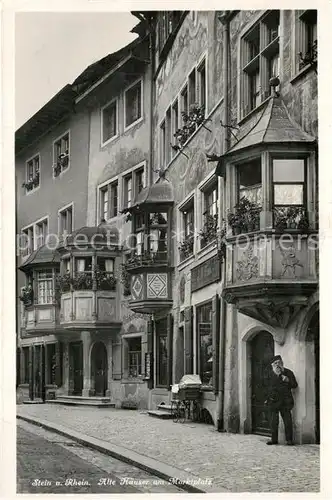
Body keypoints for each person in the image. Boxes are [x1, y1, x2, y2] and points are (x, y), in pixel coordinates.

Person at [265, 355, 298, 446]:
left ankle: (289, 440)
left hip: (285, 401)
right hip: (273, 401)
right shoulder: (269, 374)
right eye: (275, 363)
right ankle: (274, 439)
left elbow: (295, 385)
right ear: (272, 365)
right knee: (273, 421)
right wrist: (267, 398)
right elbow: (265, 386)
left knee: (287, 421)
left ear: (282, 362)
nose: (277, 365)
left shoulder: (288, 372)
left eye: (279, 362)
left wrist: (288, 380)